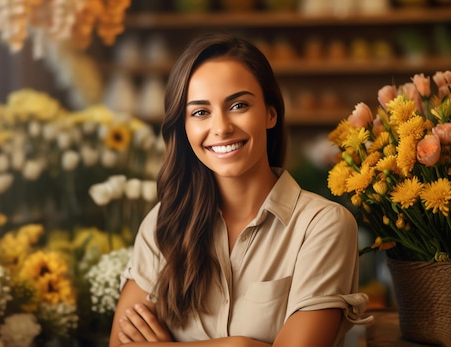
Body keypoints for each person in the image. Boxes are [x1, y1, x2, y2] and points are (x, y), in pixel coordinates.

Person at [110, 32, 371, 347]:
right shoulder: (163, 225)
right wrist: (238, 345)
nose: (221, 127)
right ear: (185, 126)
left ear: (270, 113)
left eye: (238, 105)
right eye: (200, 112)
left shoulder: (323, 226)